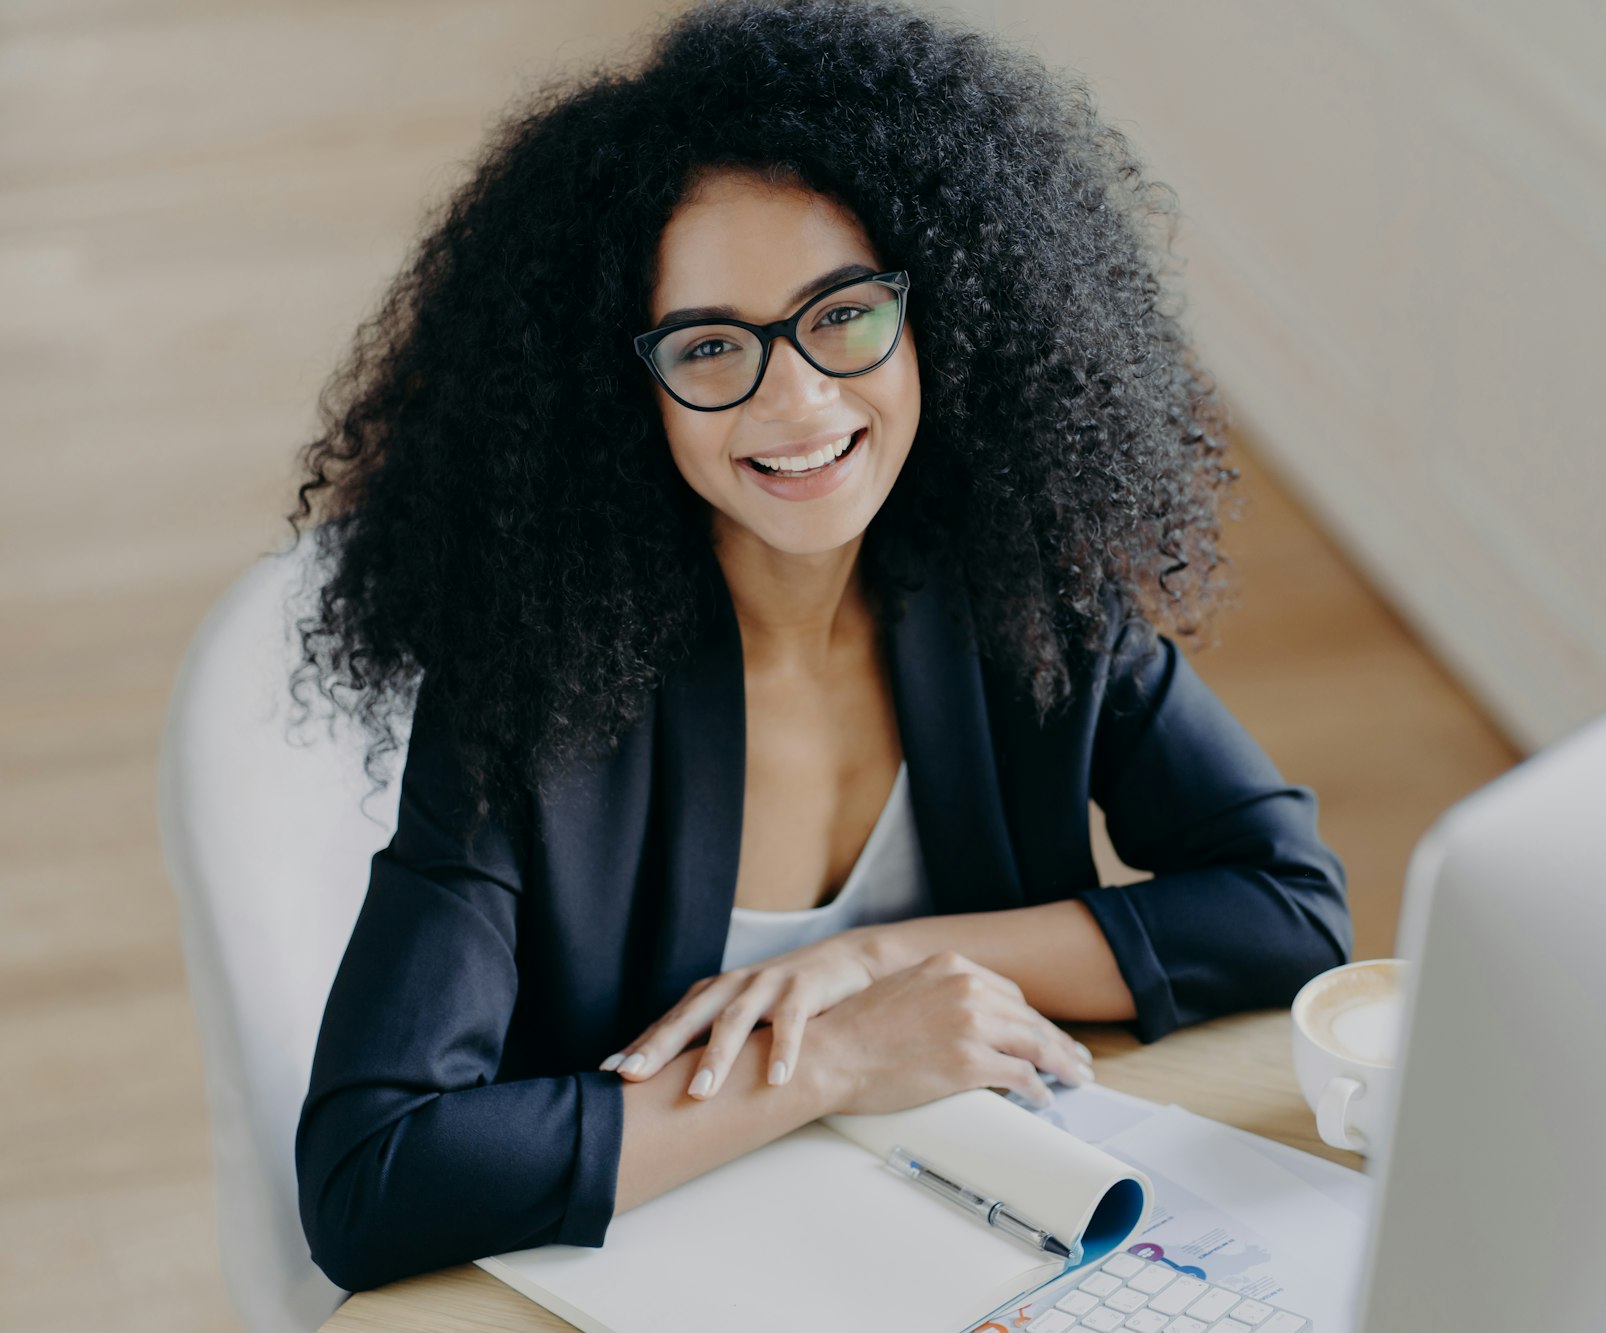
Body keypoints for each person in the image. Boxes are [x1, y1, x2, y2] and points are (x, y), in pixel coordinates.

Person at [286, 0, 1351, 1294]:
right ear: (630, 391)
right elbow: (370, 1174)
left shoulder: (1023, 593)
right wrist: (834, 1059)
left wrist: (876, 961)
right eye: (712, 345)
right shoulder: (537, 692)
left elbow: (1290, 909)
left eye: (842, 312)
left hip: (973, 1247)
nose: (794, 400)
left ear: (937, 313)